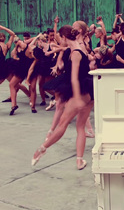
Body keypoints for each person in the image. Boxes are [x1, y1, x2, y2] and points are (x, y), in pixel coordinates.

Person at [32, 25, 94, 170]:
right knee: (80, 127)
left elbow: (73, 79)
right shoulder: (81, 47)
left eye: (61, 38)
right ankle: (79, 161)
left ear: (65, 37)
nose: (60, 41)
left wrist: (77, 98)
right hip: (91, 90)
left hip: (82, 91)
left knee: (63, 124)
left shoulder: (75, 54)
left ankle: (41, 149)